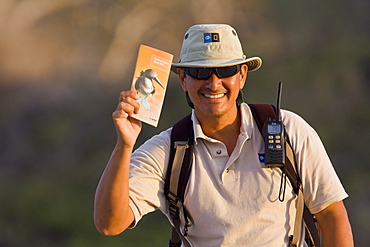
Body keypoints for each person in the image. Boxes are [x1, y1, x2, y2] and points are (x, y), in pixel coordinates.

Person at [94, 24, 354, 246]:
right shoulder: (166, 151)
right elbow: (109, 224)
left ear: (242, 76)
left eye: (226, 70)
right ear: (183, 79)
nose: (214, 83)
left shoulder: (290, 129)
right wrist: (124, 146)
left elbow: (331, 213)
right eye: (200, 72)